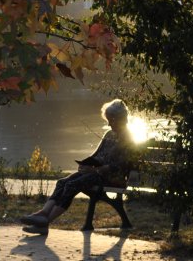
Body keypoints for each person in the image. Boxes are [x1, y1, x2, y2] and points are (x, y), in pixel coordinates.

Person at [20, 98, 136, 235]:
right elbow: (96, 154)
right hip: (95, 174)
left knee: (72, 185)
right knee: (62, 182)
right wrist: (85, 165)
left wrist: (94, 169)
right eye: (108, 120)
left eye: (111, 120)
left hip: (111, 178)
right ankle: (43, 213)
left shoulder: (127, 138)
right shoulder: (109, 134)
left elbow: (118, 166)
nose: (109, 123)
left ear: (119, 119)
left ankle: (46, 221)